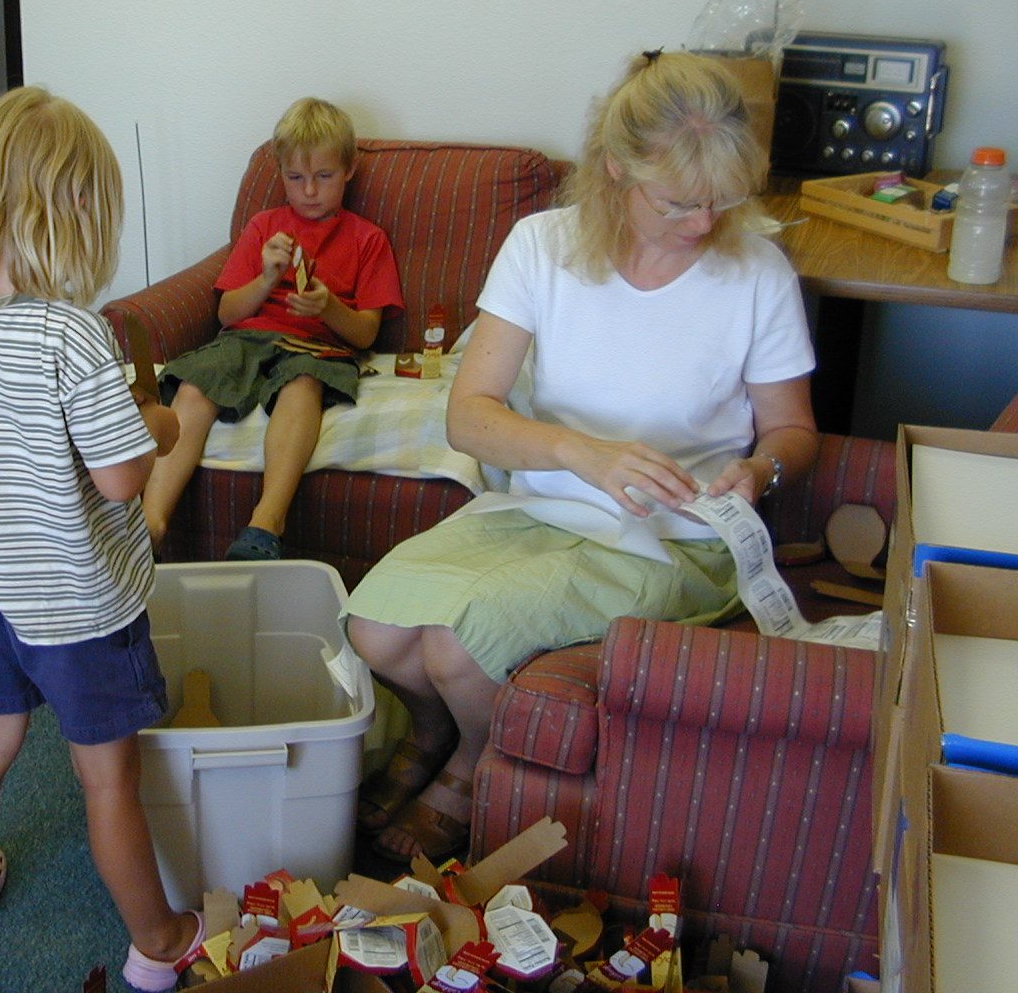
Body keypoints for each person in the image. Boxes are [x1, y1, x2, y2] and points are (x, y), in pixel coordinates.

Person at [345, 51, 819, 864]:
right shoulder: (542, 246)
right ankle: (434, 727)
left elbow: (794, 432)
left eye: (720, 200)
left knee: (458, 647)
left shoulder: (757, 272)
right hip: (540, 506)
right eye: (677, 201)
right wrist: (578, 453)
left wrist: (759, 470)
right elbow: (471, 418)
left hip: (675, 533)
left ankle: (465, 764)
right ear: (614, 169)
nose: (703, 224)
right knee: (373, 629)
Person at [0, 87, 201, 993]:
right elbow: (119, 478)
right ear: (73, 213)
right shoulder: (71, 334)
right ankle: (157, 940)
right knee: (106, 778)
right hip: (78, 605)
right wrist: (157, 423)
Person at [140, 96, 404, 561]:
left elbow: (365, 334)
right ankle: (150, 523)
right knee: (197, 385)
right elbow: (226, 314)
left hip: (318, 349)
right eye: (294, 178)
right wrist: (265, 278)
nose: (308, 191)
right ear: (280, 173)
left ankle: (266, 525)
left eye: (323, 177)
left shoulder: (368, 239)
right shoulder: (264, 227)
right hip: (247, 338)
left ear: (349, 170)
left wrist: (328, 309)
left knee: (302, 386)